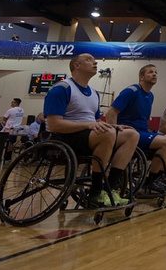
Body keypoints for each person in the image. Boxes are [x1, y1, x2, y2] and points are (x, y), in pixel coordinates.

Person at [44, 53, 138, 207]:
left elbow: (96, 122)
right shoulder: (62, 88)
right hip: (65, 138)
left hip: (89, 135)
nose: (95, 63)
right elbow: (54, 125)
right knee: (106, 133)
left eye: (94, 60)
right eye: (88, 60)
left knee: (131, 135)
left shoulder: (94, 93)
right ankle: (96, 191)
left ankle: (110, 188)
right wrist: (88, 125)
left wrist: (112, 126)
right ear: (76, 66)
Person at [105, 64, 166, 195]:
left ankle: (157, 177)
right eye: (150, 72)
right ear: (142, 77)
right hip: (130, 132)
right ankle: (152, 180)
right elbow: (111, 113)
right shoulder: (131, 91)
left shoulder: (151, 96)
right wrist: (113, 132)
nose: (154, 74)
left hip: (143, 132)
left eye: (156, 72)